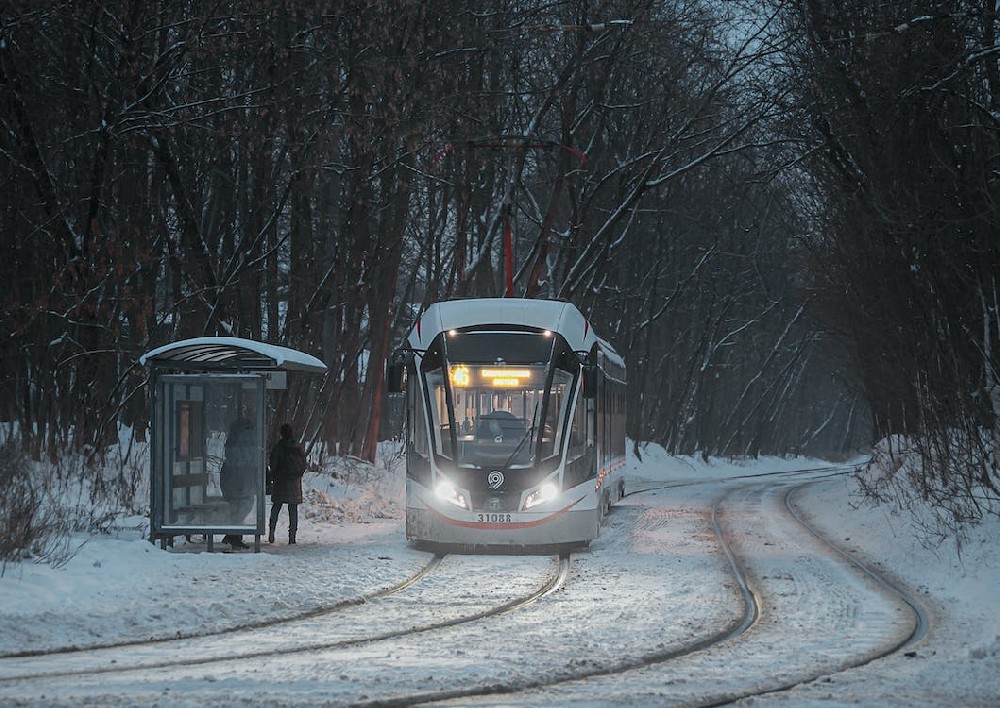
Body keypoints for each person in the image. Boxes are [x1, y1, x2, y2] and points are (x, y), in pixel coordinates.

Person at [220, 415, 256, 550]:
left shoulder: (233, 437)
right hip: (240, 476)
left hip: (231, 475)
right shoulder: (247, 437)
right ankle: (233, 535)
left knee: (237, 506)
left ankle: (233, 534)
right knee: (243, 504)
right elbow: (248, 456)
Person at [268, 423, 307, 544]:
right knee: (293, 509)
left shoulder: (278, 447)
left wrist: (273, 476)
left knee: (276, 506)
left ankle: (272, 529)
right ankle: (292, 537)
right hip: (294, 482)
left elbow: (273, 464)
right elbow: (303, 464)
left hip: (281, 481)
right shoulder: (298, 447)